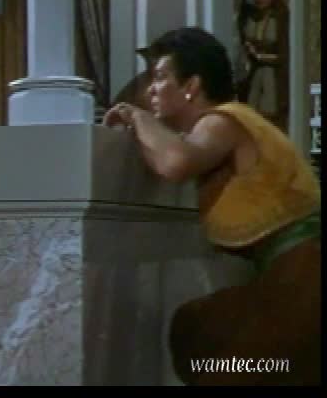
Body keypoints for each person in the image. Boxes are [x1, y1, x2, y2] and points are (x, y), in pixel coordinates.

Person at [103, 27, 320, 385]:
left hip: (305, 273)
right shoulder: (226, 123)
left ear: (191, 85)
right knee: (197, 329)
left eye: (160, 77)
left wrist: (136, 117)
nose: (150, 90)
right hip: (291, 274)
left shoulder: (222, 120)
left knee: (218, 353)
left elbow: (175, 162)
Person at [235, 0, 290, 130]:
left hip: (273, 73)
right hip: (254, 72)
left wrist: (262, 56)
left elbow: (285, 53)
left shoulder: (281, 18)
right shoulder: (252, 17)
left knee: (270, 116)